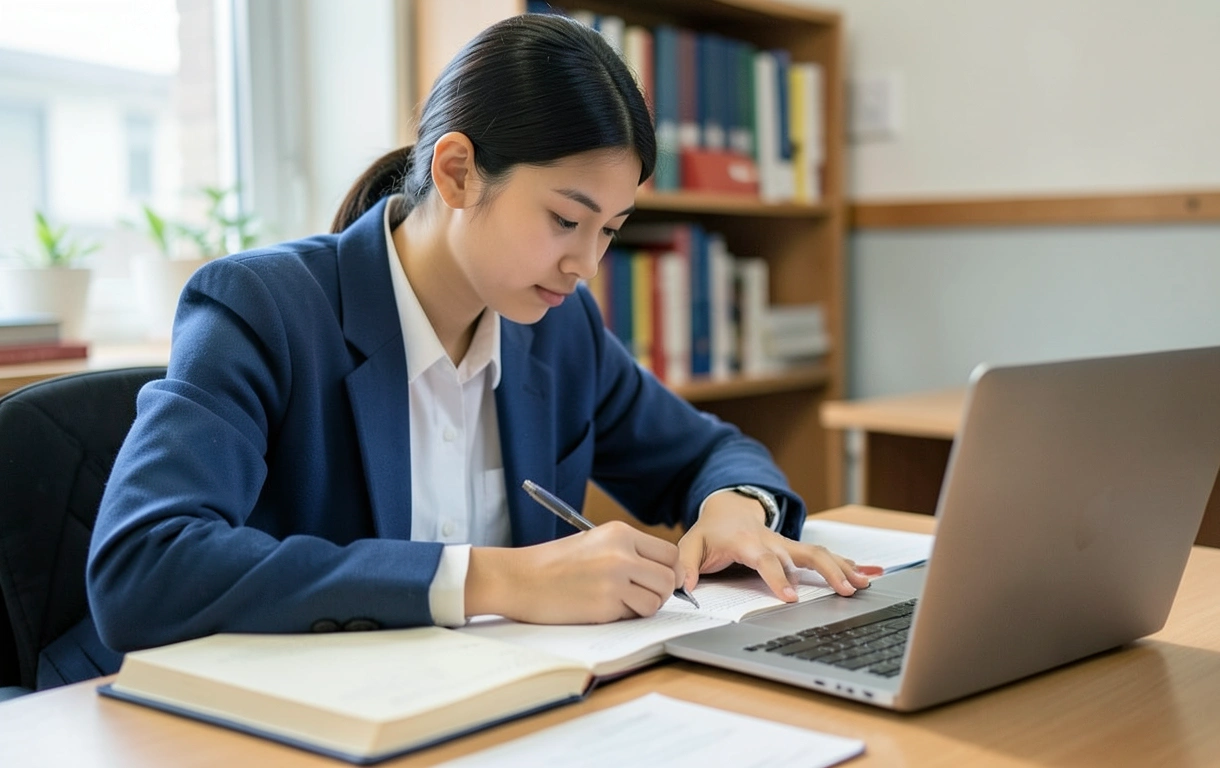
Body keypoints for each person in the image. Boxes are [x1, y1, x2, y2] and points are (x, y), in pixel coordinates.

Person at [86, 13, 870, 661]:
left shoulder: (561, 332)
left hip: (488, 710)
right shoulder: (263, 308)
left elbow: (707, 452)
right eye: (565, 219)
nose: (584, 264)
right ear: (456, 172)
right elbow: (142, 569)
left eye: (610, 231)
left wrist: (736, 507)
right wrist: (495, 580)